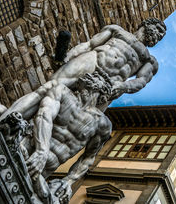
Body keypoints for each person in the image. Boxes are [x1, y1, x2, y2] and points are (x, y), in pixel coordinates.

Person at [0, 18, 166, 128]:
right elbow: (89, 45)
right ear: (147, 24)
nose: (158, 36)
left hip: (109, 85)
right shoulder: (117, 31)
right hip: (92, 61)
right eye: (158, 30)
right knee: (47, 89)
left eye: (161, 35)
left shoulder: (149, 60)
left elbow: (141, 81)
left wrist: (123, 86)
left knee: (79, 123)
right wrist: (68, 57)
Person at [20, 71, 112, 203]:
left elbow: (88, 158)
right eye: (95, 76)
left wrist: (68, 182)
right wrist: (42, 151)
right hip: (29, 147)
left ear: (104, 93)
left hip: (45, 169)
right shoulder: (62, 92)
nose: (95, 79)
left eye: (100, 78)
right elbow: (44, 115)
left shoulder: (102, 124)